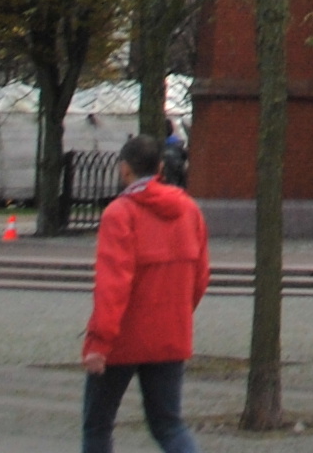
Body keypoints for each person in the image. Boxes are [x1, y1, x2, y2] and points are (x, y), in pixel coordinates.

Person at [82, 132, 210, 453]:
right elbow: (200, 275)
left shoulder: (120, 213)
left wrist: (99, 341)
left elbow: (113, 284)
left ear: (125, 170)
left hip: (122, 339)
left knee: (98, 425)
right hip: (171, 333)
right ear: (160, 170)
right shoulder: (189, 211)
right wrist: (179, 311)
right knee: (169, 426)